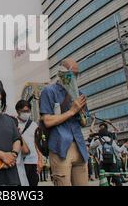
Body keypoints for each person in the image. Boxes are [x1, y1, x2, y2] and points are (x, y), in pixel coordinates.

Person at [40, 57, 89, 186]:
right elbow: (47, 121)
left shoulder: (79, 94)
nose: (75, 77)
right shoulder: (49, 91)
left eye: (77, 74)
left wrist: (81, 112)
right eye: (72, 73)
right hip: (59, 145)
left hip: (79, 145)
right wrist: (72, 111)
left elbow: (84, 122)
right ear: (62, 72)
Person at [15, 100, 43, 187]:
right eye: (24, 111)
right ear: (18, 111)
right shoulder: (13, 123)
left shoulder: (34, 125)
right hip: (19, 162)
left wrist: (40, 159)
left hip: (32, 161)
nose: (26, 113)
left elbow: (37, 143)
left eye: (28, 111)